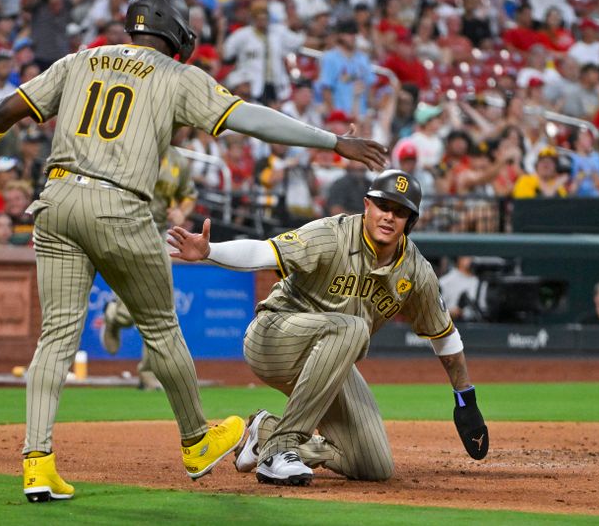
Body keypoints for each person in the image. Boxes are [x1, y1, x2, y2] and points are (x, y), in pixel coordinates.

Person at [0, 0, 386, 503]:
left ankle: (37, 464)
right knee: (161, 327)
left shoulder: (80, 59)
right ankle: (195, 440)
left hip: (55, 202)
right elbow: (249, 118)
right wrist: (331, 142)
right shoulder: (175, 75)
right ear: (176, 33)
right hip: (119, 206)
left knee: (56, 336)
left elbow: (3, 110)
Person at [168, 170, 489, 486]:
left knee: (373, 465)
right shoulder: (333, 235)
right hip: (274, 336)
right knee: (352, 329)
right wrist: (210, 252)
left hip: (331, 358)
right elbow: (265, 251)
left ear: (411, 221)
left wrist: (466, 399)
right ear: (367, 205)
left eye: (400, 211)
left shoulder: (416, 272)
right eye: (383, 206)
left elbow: (444, 336)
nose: (389, 216)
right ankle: (280, 451)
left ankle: (265, 434)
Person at [102, 146, 198, 391]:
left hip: (159, 233)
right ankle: (114, 317)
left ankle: (148, 373)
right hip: (126, 229)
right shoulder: (129, 145)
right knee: (129, 311)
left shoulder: (178, 160)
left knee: (160, 306)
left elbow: (188, 194)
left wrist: (181, 211)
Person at [439, 256, 480, 322]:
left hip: (476, 324)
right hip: (453, 325)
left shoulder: (479, 281)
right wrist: (451, 312)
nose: (470, 259)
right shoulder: (445, 281)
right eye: (466, 256)